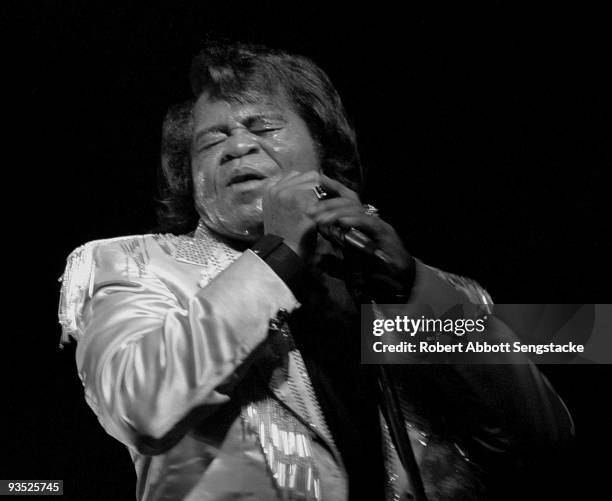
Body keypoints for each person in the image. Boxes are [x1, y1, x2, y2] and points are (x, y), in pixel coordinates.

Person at [58, 42, 573, 500]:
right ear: (190, 177)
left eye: (262, 126)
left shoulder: (436, 291)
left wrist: (408, 287)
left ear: (323, 149)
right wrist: (277, 256)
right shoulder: (129, 260)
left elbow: (545, 438)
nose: (238, 145)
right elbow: (140, 407)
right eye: (212, 141)